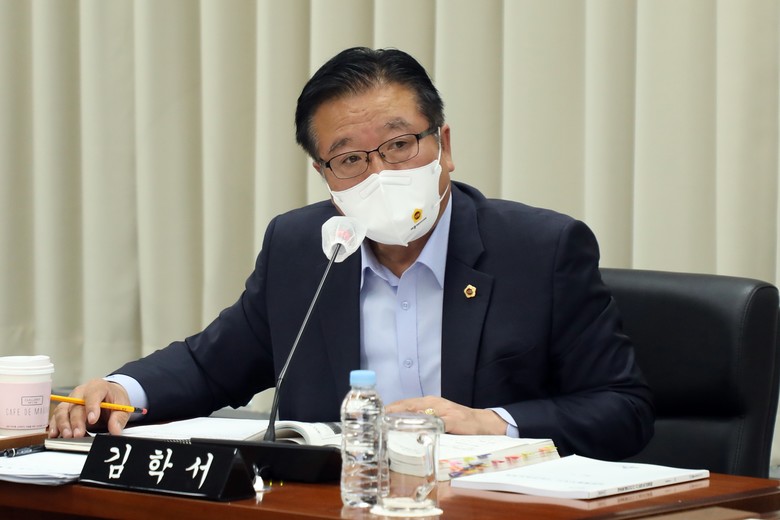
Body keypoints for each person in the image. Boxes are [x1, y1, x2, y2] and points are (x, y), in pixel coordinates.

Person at [49, 46, 654, 460]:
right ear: (324, 174)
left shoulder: (540, 250)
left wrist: (490, 423)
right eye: (350, 158)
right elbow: (214, 365)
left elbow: (622, 409)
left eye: (400, 144)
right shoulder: (301, 248)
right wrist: (124, 390)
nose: (381, 172)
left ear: (443, 146)